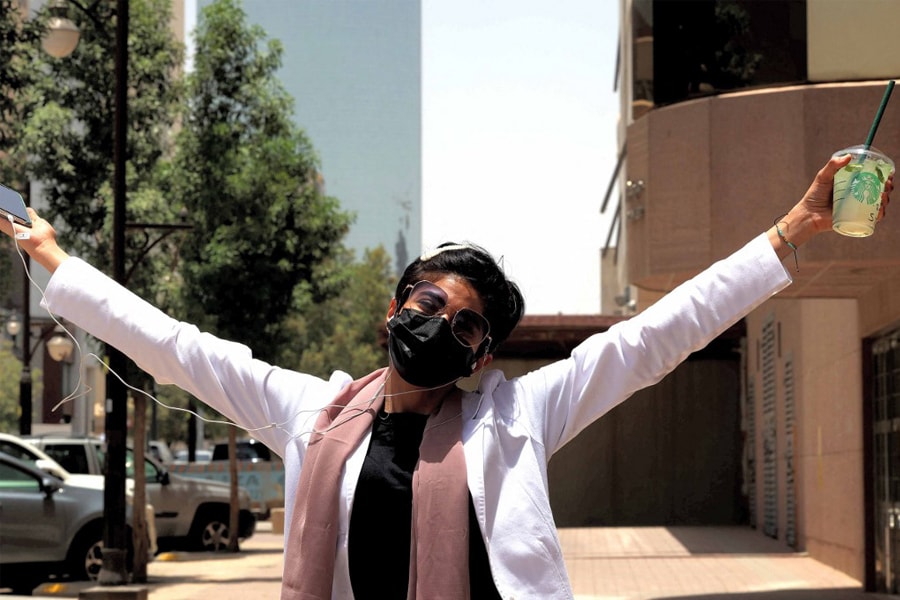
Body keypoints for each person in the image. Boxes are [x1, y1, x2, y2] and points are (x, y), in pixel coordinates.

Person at [1, 154, 893, 599]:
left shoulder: (516, 418)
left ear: (481, 355)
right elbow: (180, 348)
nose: (439, 324)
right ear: (395, 308)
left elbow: (656, 336)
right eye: (427, 301)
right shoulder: (311, 414)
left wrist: (793, 233)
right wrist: (57, 266)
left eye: (466, 324)